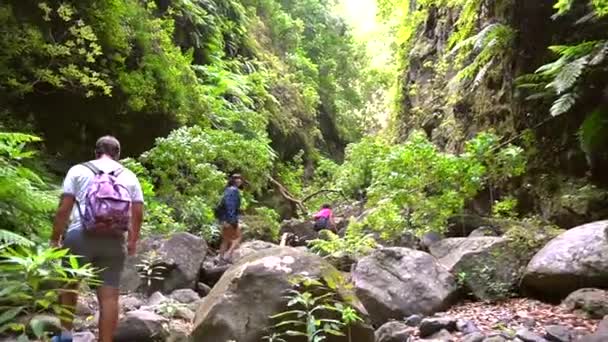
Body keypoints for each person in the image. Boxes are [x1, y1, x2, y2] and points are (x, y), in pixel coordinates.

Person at [50, 136, 144, 342]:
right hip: (114, 239)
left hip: (79, 234)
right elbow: (137, 213)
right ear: (118, 154)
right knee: (110, 296)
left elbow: (63, 209)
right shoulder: (129, 176)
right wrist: (133, 241)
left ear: (95, 152)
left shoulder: (78, 170)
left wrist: (55, 239)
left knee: (69, 284)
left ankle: (65, 336)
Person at [216, 173, 243, 262]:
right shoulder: (233, 191)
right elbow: (230, 206)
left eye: (240, 179)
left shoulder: (227, 190)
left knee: (225, 239)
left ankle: (220, 259)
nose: (239, 180)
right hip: (229, 219)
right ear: (233, 181)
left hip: (224, 218)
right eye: (237, 179)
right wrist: (232, 221)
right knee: (238, 237)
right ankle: (227, 256)